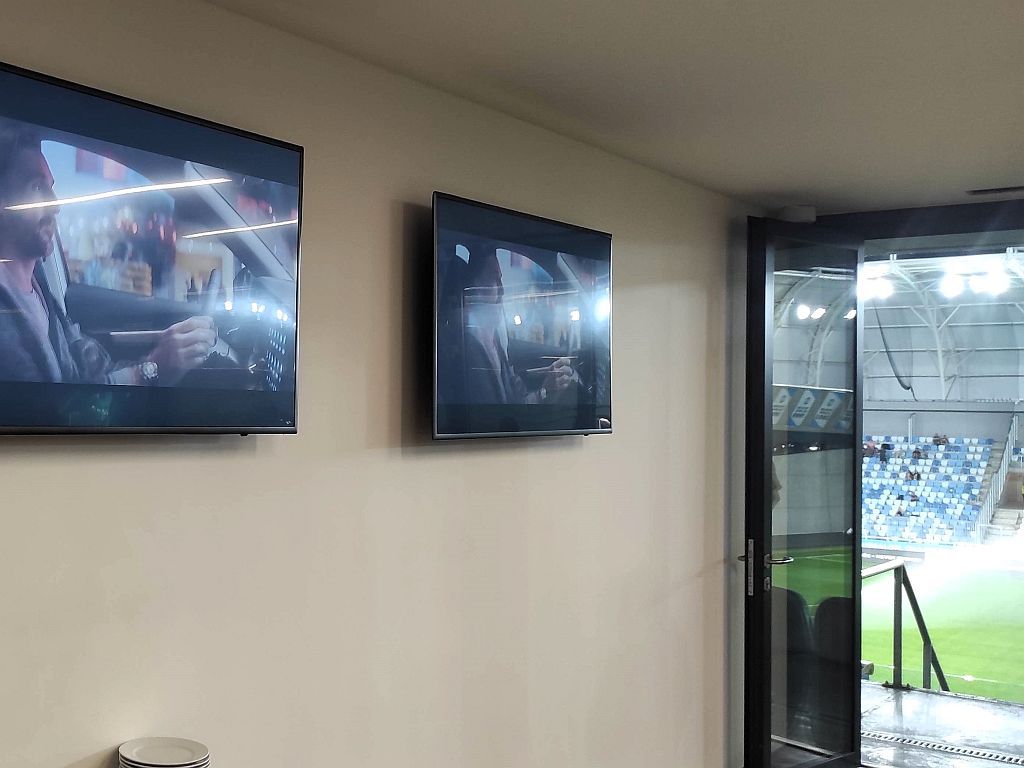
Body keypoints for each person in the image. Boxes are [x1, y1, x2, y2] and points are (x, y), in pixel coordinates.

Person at [0, 122, 214, 386]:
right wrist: (153, 368)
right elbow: (55, 409)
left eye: (51, 187)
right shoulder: (5, 317)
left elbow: (87, 368)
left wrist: (160, 357)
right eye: (36, 187)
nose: (55, 205)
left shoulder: (39, 288)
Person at [459, 247, 575, 404]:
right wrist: (544, 391)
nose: (502, 290)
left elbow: (515, 396)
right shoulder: (469, 350)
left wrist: (548, 375)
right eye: (493, 280)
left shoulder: (494, 340)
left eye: (500, 279)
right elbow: (499, 414)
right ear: (474, 289)